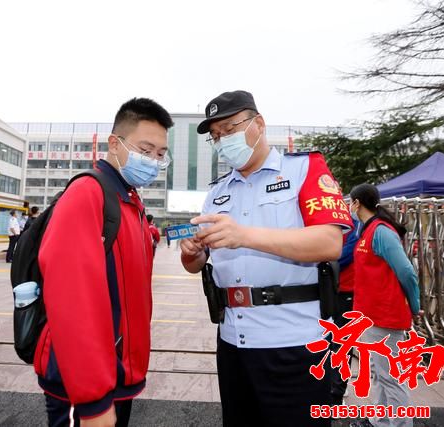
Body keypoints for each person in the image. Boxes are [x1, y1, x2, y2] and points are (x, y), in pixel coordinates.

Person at [180, 90, 353, 427]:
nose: (222, 140)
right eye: (216, 136)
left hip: (294, 343)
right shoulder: (217, 192)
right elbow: (199, 264)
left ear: (258, 124)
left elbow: (329, 242)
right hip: (233, 340)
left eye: (229, 129)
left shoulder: (304, 169)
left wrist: (244, 235)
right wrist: (194, 255)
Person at [37, 98, 172, 427]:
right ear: (115, 143)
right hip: (82, 384)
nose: (153, 161)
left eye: (160, 154)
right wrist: (93, 399)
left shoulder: (129, 200)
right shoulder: (88, 194)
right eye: (145, 149)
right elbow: (71, 300)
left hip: (116, 373)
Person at [348, 184, 421, 427]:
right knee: (380, 374)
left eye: (351, 201)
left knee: (391, 377)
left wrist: (414, 304)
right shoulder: (368, 230)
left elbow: (407, 272)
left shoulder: (381, 232)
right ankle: (380, 421)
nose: (350, 205)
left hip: (385, 316)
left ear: (358, 203)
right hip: (373, 316)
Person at [330, 216, 361, 406]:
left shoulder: (354, 226)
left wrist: (320, 258)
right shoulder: (323, 223)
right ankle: (329, 385)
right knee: (324, 341)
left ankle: (337, 393)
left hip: (346, 291)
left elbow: (346, 255)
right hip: (326, 290)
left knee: (341, 344)